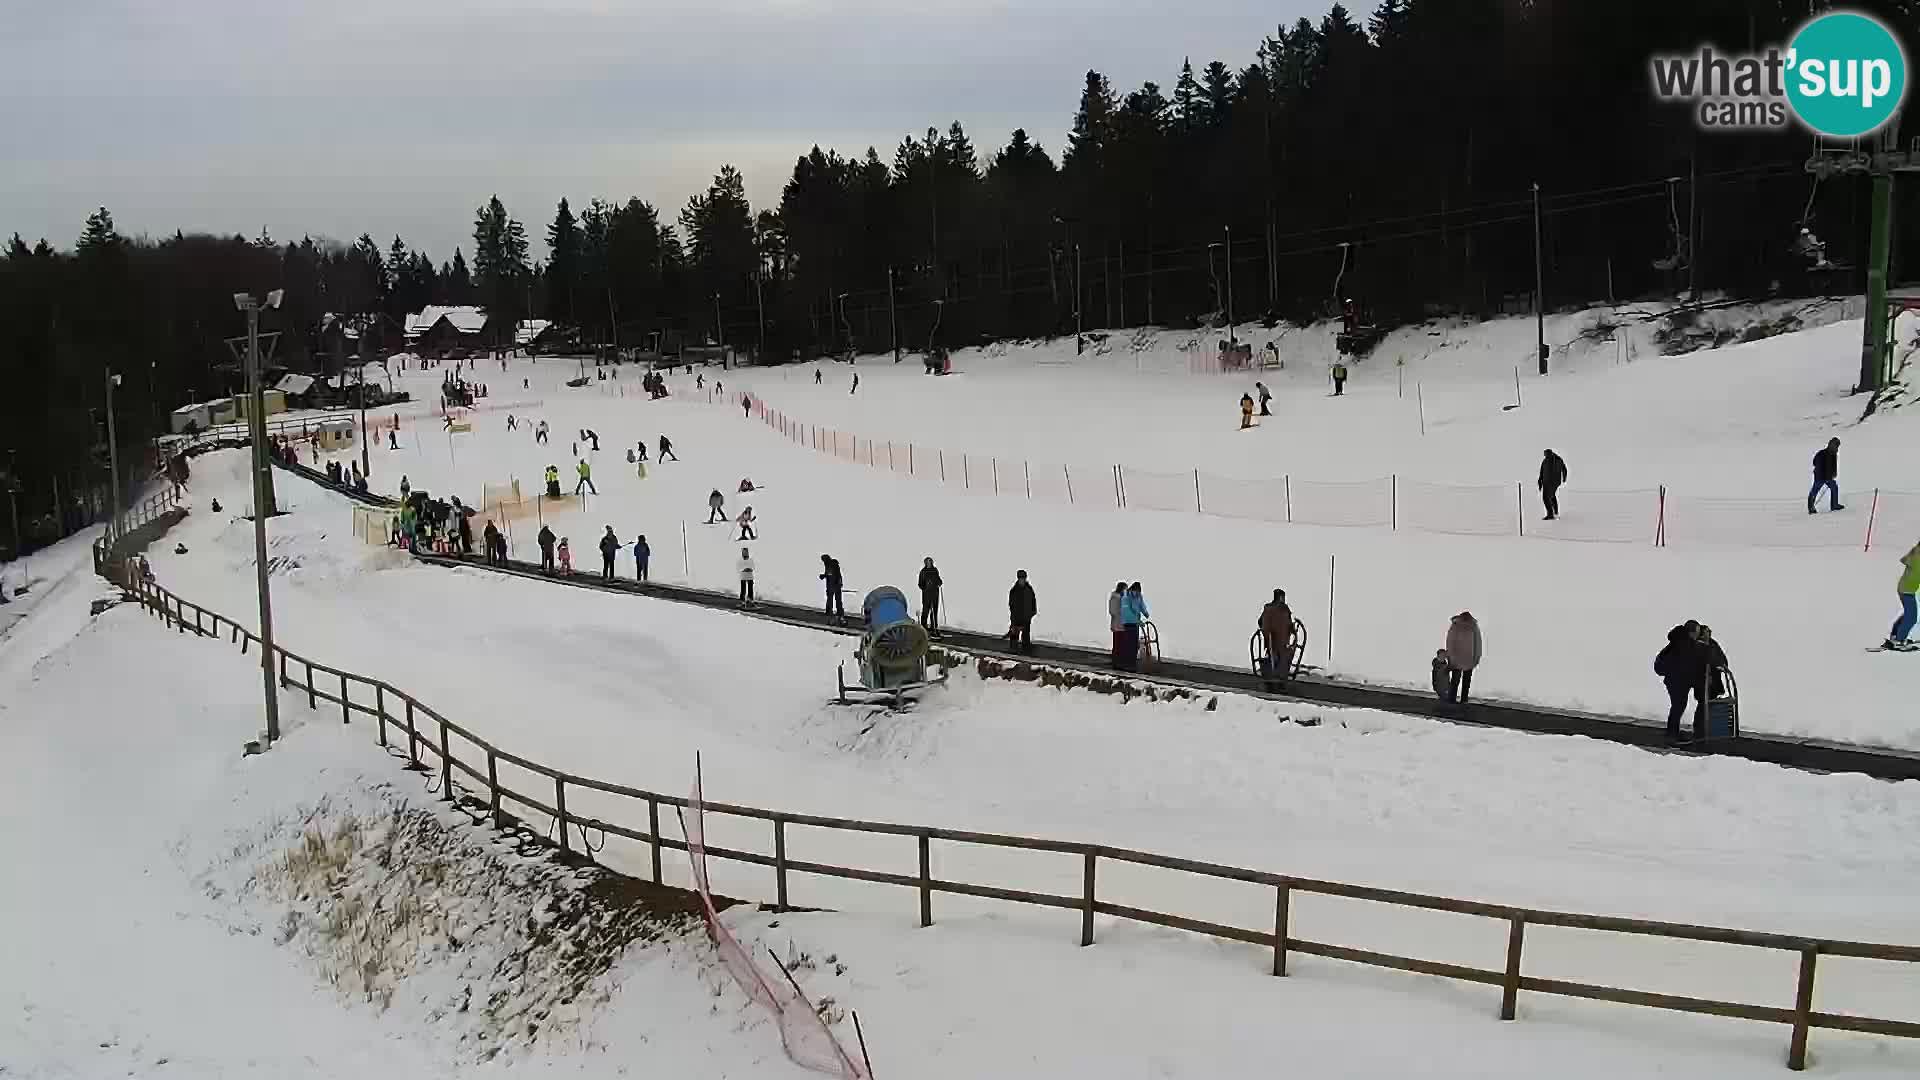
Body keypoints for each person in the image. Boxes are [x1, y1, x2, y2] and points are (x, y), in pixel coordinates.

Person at [1884, 540, 1920, 651]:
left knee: (1909, 614)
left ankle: (1895, 635)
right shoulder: (1918, 556)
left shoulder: (1916, 552)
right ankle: (1899, 641)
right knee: (1911, 617)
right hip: (1907, 590)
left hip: (1905, 588)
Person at [1442, 611, 1482, 707]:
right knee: (1461, 680)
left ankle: (1456, 700)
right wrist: (1477, 657)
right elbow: (1478, 644)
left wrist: (1451, 657)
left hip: (1461, 659)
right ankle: (1460, 700)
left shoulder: (1457, 626)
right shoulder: (1472, 626)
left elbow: (1450, 643)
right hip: (1466, 659)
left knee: (1459, 680)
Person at [1259, 589, 1294, 685]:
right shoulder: (1284, 610)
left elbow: (1260, 622)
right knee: (1283, 655)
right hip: (1280, 644)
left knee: (1274, 656)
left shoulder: (1269, 608)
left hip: (1271, 643)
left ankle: (1275, 673)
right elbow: (1290, 626)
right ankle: (1279, 675)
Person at [1120, 583, 1150, 672]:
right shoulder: (1126, 598)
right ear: (1131, 589)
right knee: (1129, 644)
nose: (1136, 594)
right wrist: (1138, 621)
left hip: (1135, 623)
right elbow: (1127, 612)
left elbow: (1141, 605)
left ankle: (1132, 663)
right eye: (1135, 591)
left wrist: (1145, 613)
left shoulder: (1139, 596)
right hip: (1128, 623)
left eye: (1138, 592)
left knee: (1134, 644)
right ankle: (1127, 664)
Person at [1808, 437, 1843, 513]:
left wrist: (1834, 473)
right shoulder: (1822, 453)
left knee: (1834, 487)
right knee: (1815, 490)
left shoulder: (1834, 454)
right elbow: (1815, 462)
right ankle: (1811, 508)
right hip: (1820, 476)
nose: (1836, 447)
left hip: (1828, 477)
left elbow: (1833, 465)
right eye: (1835, 445)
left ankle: (1834, 505)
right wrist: (1823, 473)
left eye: (1837, 445)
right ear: (1831, 444)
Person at [1008, 570, 1037, 654]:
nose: (1022, 580)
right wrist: (1014, 621)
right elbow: (1012, 606)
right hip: (1016, 619)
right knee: (1014, 638)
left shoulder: (1029, 590)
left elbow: (1033, 602)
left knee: (1026, 639)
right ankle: (1012, 655)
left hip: (1026, 619)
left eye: (1023, 578)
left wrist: (1031, 614)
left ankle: (1026, 654)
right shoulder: (1014, 591)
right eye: (1020, 578)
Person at [1538, 449, 1568, 521]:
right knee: (1552, 496)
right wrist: (1540, 481)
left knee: (1545, 498)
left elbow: (1564, 469)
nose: (1546, 456)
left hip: (1551, 482)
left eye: (1547, 454)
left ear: (1550, 453)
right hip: (1549, 482)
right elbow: (1542, 471)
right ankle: (1555, 512)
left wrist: (1564, 477)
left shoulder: (1557, 459)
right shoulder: (1545, 461)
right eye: (1545, 455)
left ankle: (1550, 514)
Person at [918, 557, 943, 630]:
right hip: (926, 594)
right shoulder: (923, 571)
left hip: (935, 593)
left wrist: (939, 582)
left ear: (932, 562)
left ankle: (934, 626)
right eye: (927, 562)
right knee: (926, 610)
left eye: (930, 561)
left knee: (934, 610)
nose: (929, 563)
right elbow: (920, 584)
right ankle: (923, 626)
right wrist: (925, 588)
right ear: (925, 563)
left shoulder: (935, 570)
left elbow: (938, 579)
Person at [1108, 581, 1128, 669]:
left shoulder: (1121, 598)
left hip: (1121, 624)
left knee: (1121, 644)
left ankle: (1119, 661)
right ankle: (1116, 662)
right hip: (1117, 623)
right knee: (1117, 644)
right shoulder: (1115, 598)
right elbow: (1113, 611)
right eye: (1125, 589)